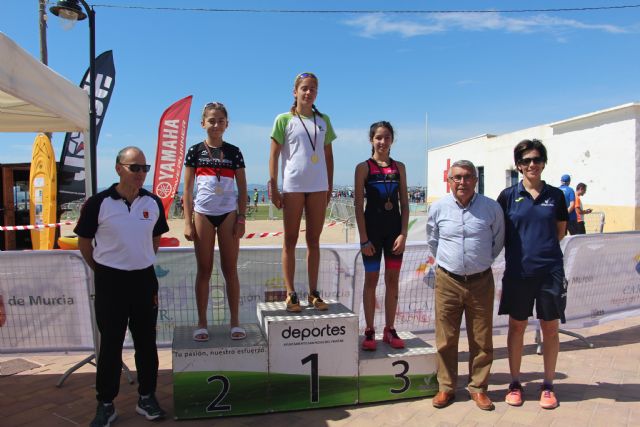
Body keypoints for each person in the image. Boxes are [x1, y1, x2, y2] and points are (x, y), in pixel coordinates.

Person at [75, 146, 169, 426]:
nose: (141, 173)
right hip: (110, 282)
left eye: (145, 168)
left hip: (143, 280)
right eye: (134, 168)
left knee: (146, 343)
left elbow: (155, 239)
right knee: (111, 345)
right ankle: (105, 403)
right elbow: (84, 243)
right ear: (118, 168)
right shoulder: (98, 203)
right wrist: (103, 270)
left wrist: (141, 260)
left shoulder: (152, 202)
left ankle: (147, 396)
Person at [427, 160, 505, 410]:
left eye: (468, 177)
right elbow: (433, 240)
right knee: (445, 339)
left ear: (476, 180)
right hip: (447, 280)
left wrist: (478, 262)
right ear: (449, 181)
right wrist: (452, 264)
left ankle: (478, 387)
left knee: (482, 340)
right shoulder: (438, 208)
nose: (462, 182)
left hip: (481, 281)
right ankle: (446, 388)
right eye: (457, 177)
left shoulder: (491, 208)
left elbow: (497, 241)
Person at [497, 139, 568, 410]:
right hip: (518, 273)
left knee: (550, 329)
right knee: (517, 327)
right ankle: (515, 383)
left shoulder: (556, 196)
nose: (531, 164)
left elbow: (560, 231)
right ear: (518, 165)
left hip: (550, 272)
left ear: (543, 163)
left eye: (536, 159)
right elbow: (500, 233)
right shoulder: (507, 196)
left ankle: (548, 386)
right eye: (526, 160)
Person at [269, 72, 337, 312]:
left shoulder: (324, 120)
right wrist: (273, 184)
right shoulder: (284, 119)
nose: (308, 93)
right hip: (293, 186)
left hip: (318, 186)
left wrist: (329, 186)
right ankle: (290, 293)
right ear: (295, 91)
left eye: (313, 89)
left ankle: (313, 292)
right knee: (289, 240)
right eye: (304, 88)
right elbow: (274, 154)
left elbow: (328, 156)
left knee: (314, 241)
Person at [183, 102, 247, 342]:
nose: (216, 124)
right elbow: (187, 189)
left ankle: (235, 322)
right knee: (204, 270)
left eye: (220, 120)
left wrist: (241, 217)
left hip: (229, 214)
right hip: (203, 214)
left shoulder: (234, 152)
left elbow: (242, 187)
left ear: (227, 124)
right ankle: (202, 322)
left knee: (230, 270)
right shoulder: (195, 151)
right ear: (203, 123)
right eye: (211, 120)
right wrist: (187, 222)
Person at [354, 121, 409, 351]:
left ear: (392, 140)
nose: (382, 142)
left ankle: (389, 328)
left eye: (386, 137)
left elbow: (405, 205)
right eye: (378, 137)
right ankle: (369, 330)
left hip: (394, 232)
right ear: (371, 140)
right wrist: (364, 239)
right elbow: (358, 206)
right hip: (372, 234)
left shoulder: (400, 167)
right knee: (371, 281)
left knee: (393, 281)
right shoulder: (363, 167)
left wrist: (404, 234)